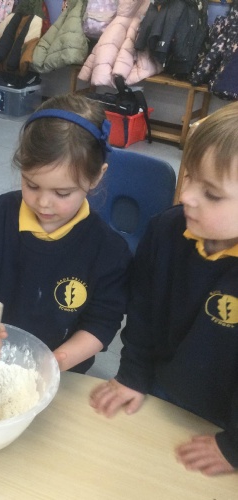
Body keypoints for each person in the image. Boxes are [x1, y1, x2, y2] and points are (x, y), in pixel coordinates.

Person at [90, 102, 238, 476]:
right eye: (188, 176)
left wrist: (235, 448)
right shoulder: (166, 231)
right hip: (164, 389)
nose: (186, 195)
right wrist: (133, 375)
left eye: (212, 193)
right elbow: (143, 315)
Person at [0, 94, 132, 373]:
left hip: (62, 370)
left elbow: (102, 322)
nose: (44, 203)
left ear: (96, 176)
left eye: (62, 193)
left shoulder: (108, 251)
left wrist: (58, 361)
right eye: (32, 185)